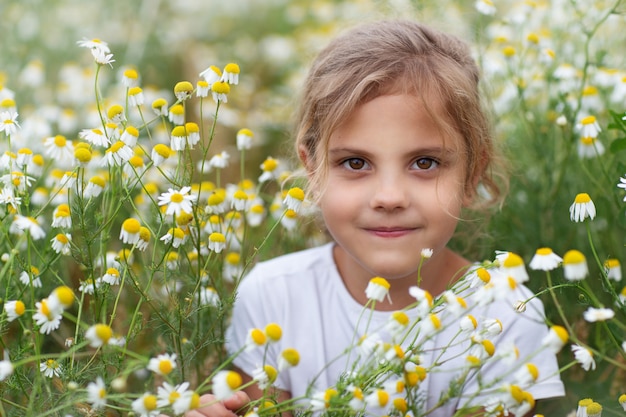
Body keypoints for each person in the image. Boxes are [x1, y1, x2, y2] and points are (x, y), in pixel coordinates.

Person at [208, 19, 564, 417]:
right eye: (355, 162)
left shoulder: (503, 315)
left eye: (424, 162)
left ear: (472, 174)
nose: (389, 197)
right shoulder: (273, 297)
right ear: (313, 172)